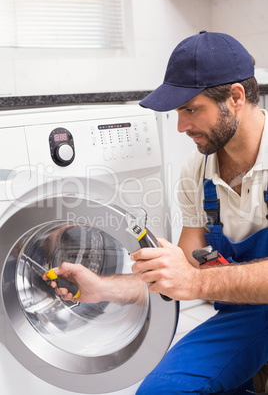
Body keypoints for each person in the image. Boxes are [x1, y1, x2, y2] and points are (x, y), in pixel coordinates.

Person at [45, 31, 268, 393]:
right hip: (245, 316)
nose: (181, 126)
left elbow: (193, 280)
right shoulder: (198, 172)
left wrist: (194, 282)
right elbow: (183, 269)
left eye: (191, 109)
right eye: (179, 112)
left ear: (236, 97)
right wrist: (104, 288)